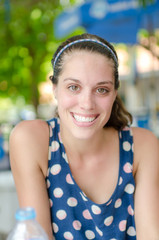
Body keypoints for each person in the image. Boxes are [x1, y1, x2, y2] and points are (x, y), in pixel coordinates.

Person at [9, 33, 159, 240]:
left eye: (101, 90)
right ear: (54, 88)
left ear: (115, 94)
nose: (87, 103)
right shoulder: (31, 140)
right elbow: (38, 235)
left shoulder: (143, 145)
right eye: (73, 87)